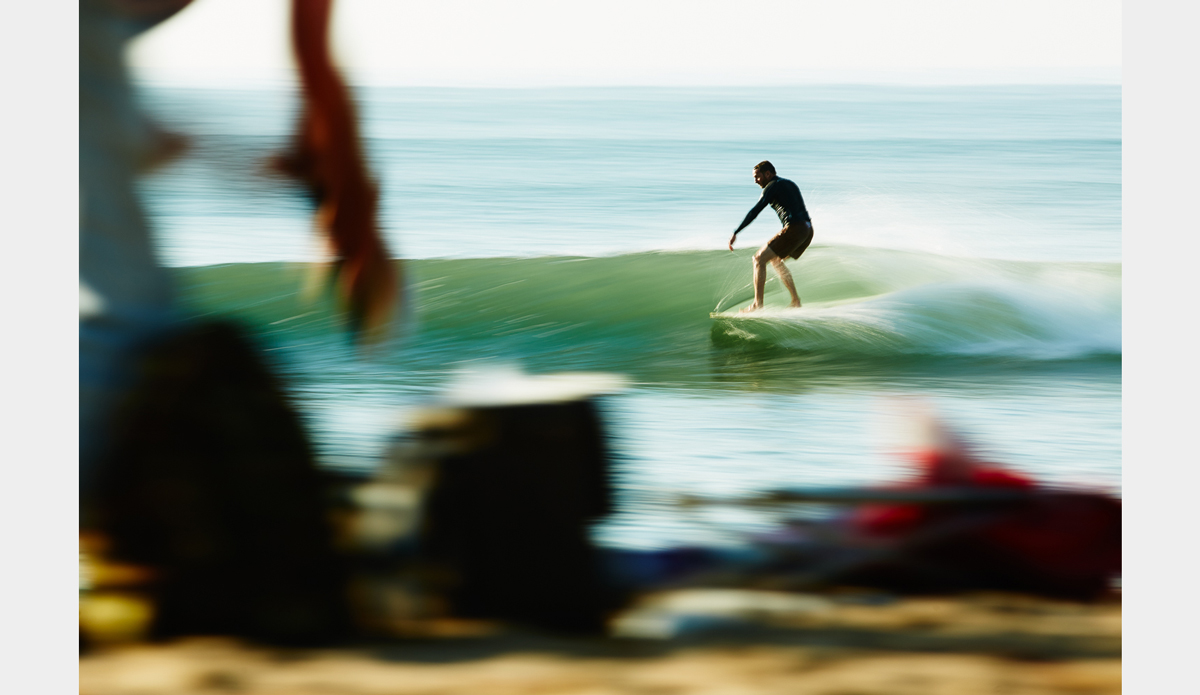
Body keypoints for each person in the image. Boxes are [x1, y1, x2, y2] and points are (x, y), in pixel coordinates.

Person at [727, 161, 814, 312]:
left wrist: (737, 231)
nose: (755, 180)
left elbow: (756, 210)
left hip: (795, 228)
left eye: (757, 176)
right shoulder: (788, 183)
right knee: (775, 260)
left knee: (758, 259)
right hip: (807, 230)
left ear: (768, 174)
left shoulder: (772, 186)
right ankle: (795, 301)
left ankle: (757, 304)